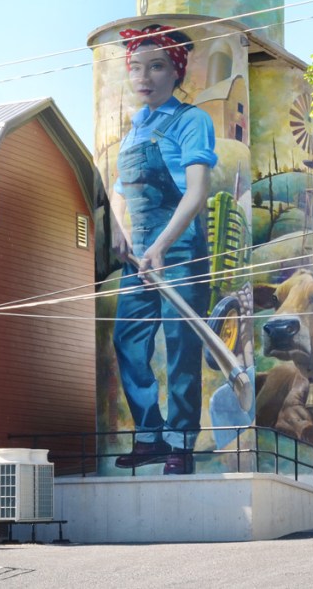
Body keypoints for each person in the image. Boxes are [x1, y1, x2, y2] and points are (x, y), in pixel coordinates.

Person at [109, 24, 217, 475]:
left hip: (180, 245)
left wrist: (161, 245)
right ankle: (150, 434)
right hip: (140, 253)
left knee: (179, 343)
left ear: (175, 71)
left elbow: (196, 193)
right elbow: (119, 190)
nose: (144, 76)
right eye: (136, 66)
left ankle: (181, 441)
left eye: (156, 66)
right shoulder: (133, 131)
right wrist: (119, 229)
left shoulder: (192, 120)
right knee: (128, 338)